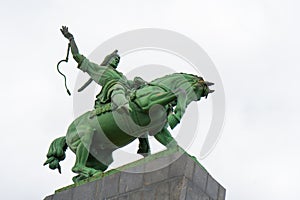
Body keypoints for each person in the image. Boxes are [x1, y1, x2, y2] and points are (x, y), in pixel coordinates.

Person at [60, 26, 131, 114]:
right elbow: (77, 56)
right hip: (112, 89)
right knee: (117, 88)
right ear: (108, 59)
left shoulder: (121, 75)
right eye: (115, 58)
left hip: (126, 90)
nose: (117, 61)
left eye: (118, 60)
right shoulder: (98, 69)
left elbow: (130, 83)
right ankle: (123, 105)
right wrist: (71, 39)